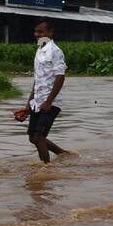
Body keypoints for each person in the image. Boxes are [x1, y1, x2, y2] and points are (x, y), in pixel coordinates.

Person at [13, 18, 67, 163]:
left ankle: (45, 170)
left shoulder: (55, 51)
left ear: (50, 32)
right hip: (38, 101)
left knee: (39, 137)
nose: (37, 34)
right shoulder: (40, 50)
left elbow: (60, 77)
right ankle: (63, 153)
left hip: (51, 102)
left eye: (41, 31)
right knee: (32, 137)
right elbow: (38, 80)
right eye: (36, 31)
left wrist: (49, 102)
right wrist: (28, 104)